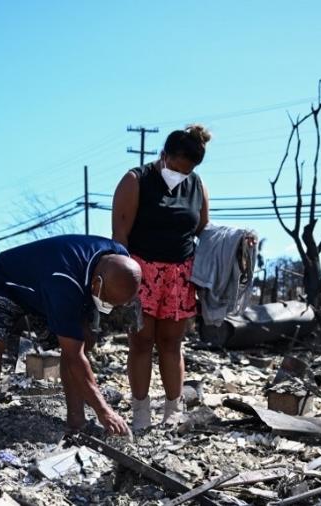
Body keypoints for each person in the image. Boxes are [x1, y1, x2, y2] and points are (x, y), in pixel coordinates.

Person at [0, 234, 141, 452]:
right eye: (107, 301)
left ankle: (77, 422)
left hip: (44, 286)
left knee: (83, 339)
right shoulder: (64, 282)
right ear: (97, 283)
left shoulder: (119, 258)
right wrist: (105, 411)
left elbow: (77, 347)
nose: (109, 307)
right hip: (4, 283)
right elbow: (74, 356)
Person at [111, 124, 212, 430]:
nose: (181, 175)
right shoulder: (135, 180)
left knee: (171, 343)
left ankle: (173, 410)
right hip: (141, 271)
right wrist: (123, 280)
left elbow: (203, 230)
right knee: (141, 342)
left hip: (180, 274)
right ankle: (141, 412)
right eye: (177, 168)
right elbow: (120, 234)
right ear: (164, 155)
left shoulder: (197, 186)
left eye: (187, 171)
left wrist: (239, 240)